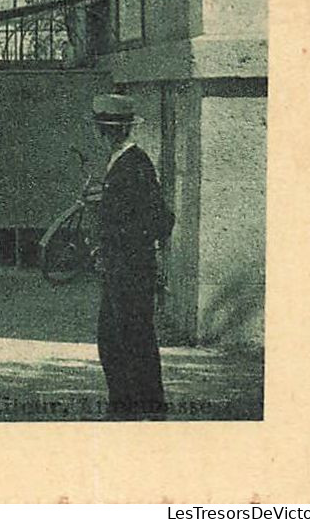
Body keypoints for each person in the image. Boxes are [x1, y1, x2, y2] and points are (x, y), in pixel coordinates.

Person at [92, 93, 174, 418]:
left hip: (132, 268)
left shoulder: (135, 164)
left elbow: (160, 220)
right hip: (120, 267)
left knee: (133, 341)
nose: (97, 135)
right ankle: (125, 408)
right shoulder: (120, 162)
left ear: (107, 131)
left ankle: (147, 412)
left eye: (99, 129)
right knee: (113, 341)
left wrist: (116, 237)